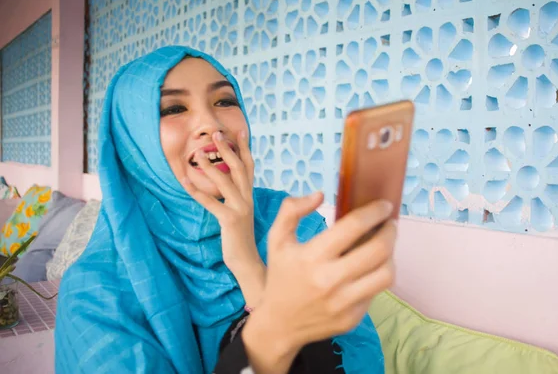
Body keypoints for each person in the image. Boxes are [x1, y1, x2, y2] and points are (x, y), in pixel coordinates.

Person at [54, 46, 397, 374]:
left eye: (225, 101)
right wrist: (271, 335)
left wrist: (248, 262)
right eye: (173, 109)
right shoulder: (95, 293)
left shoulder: (293, 223)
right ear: (133, 142)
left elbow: (356, 360)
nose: (211, 123)